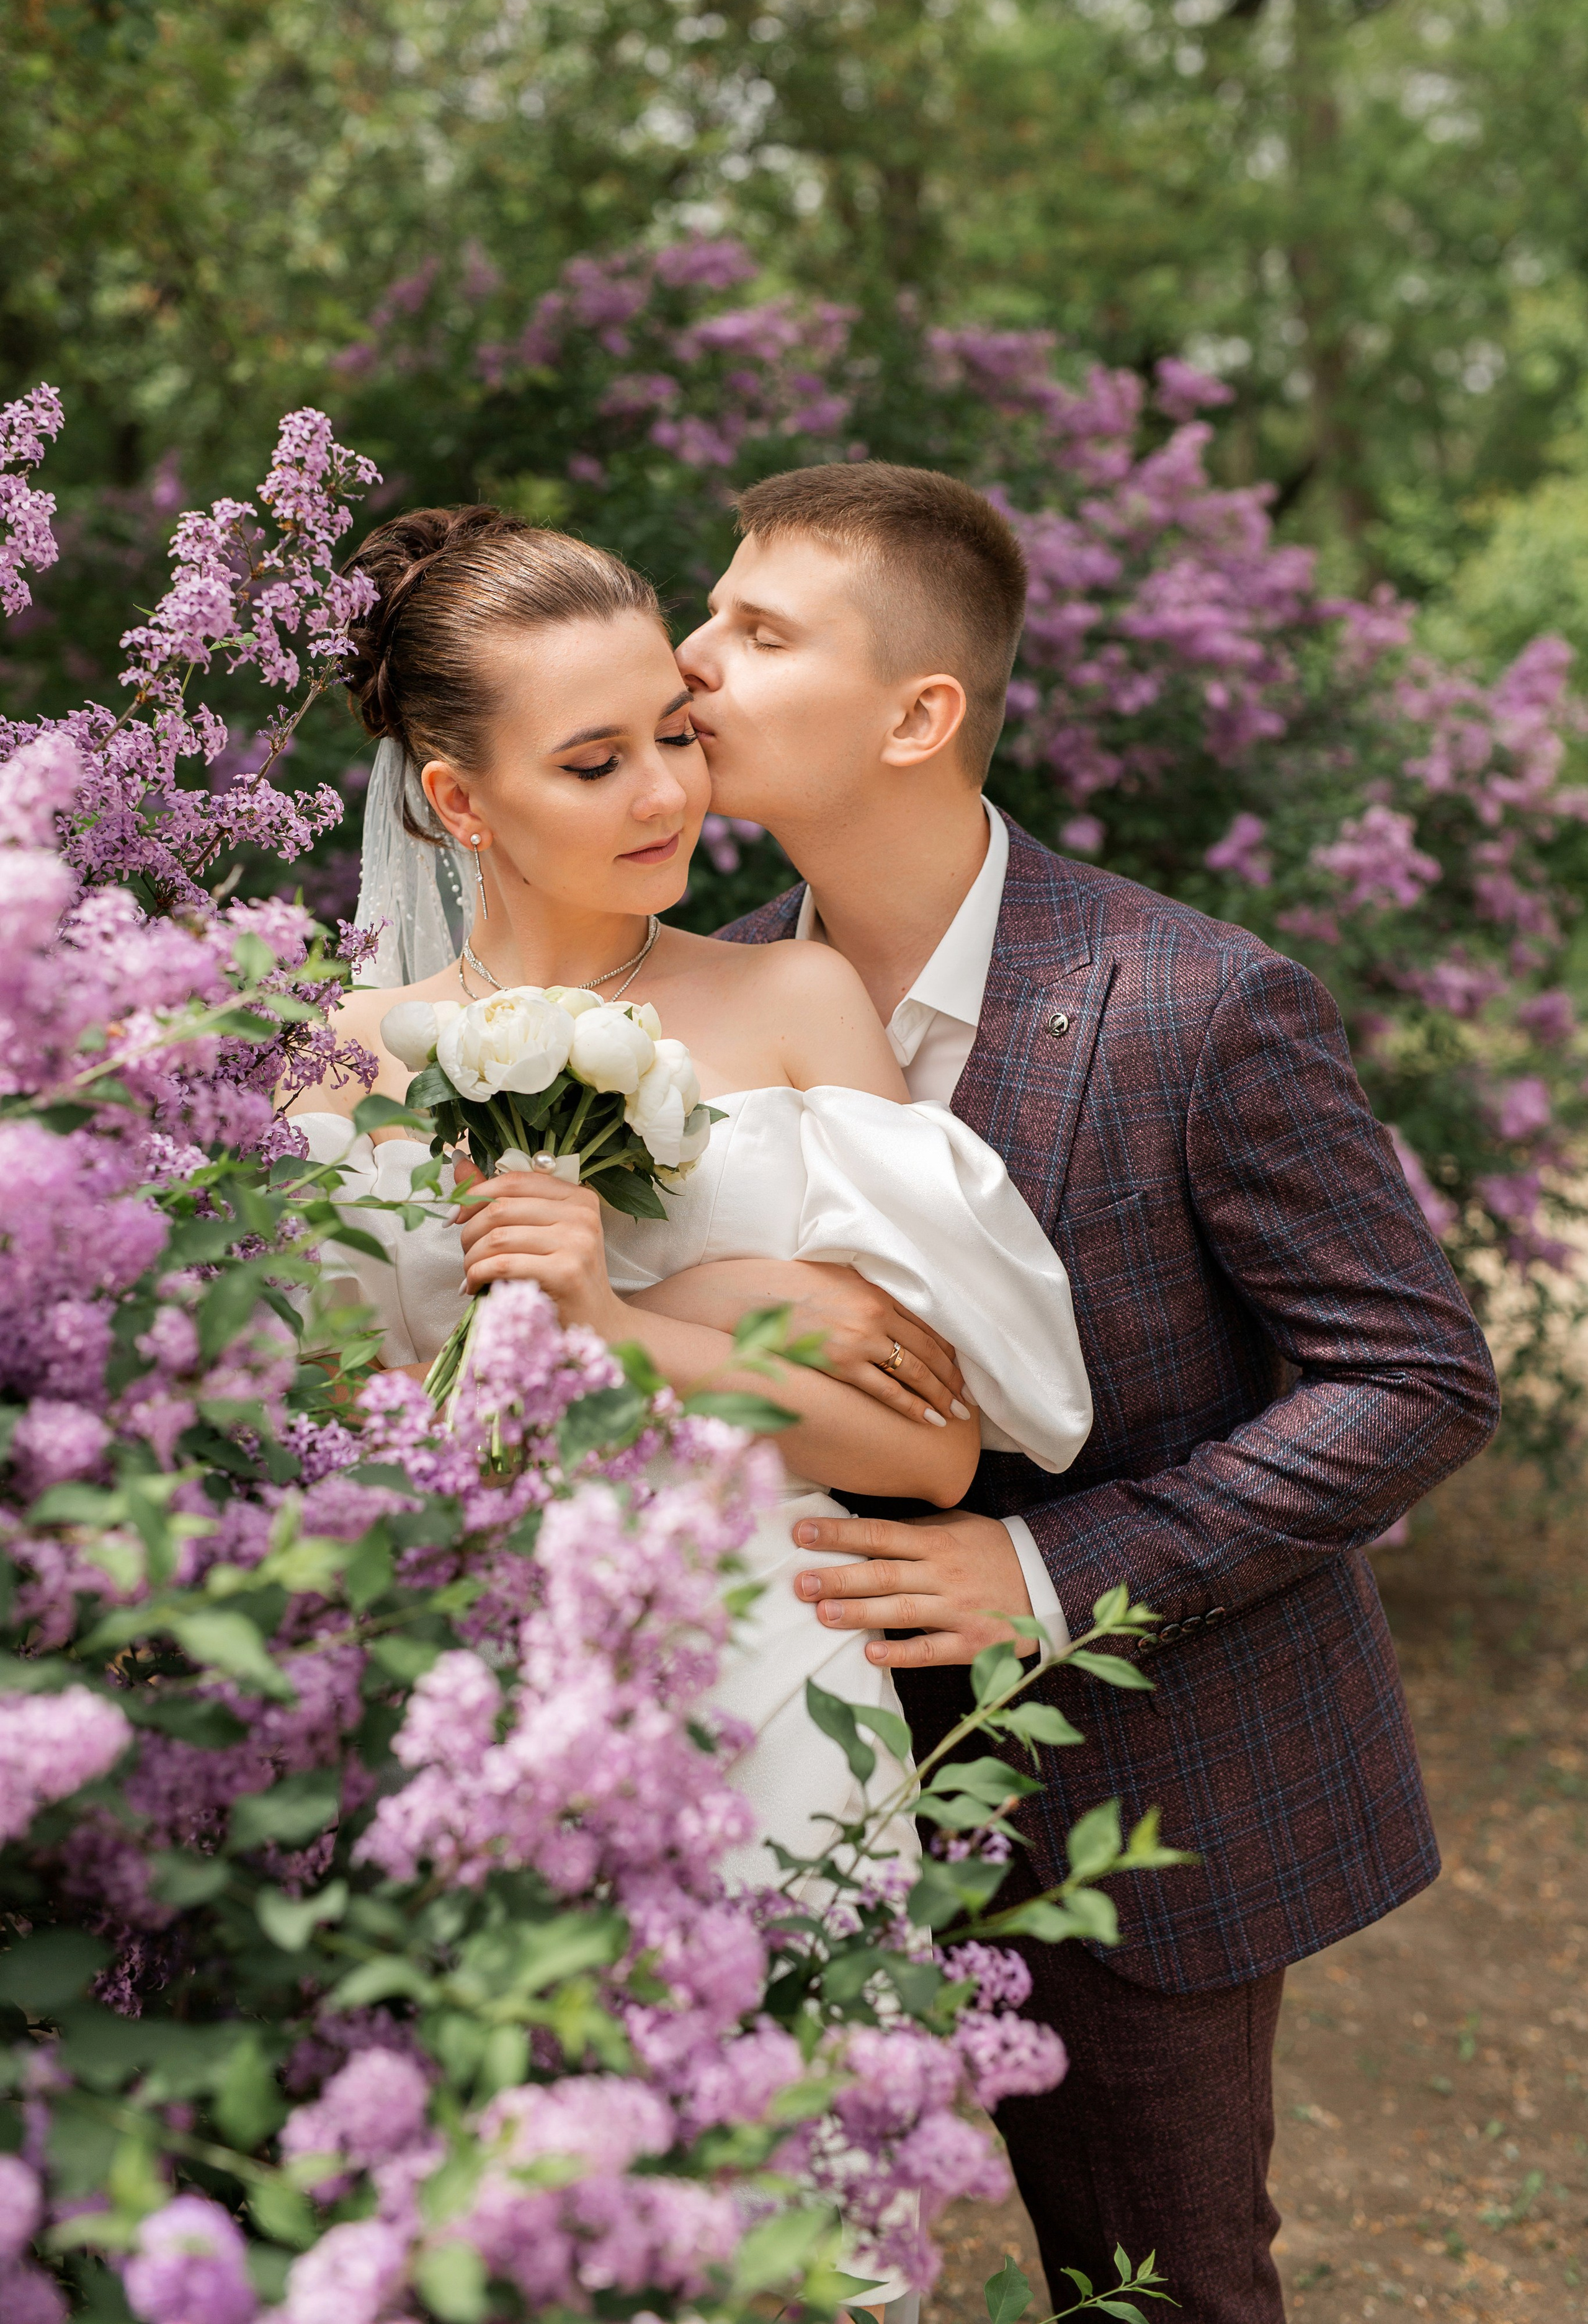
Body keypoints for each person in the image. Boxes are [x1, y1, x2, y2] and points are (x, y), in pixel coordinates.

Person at [667, 461, 1503, 2324]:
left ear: (918, 715)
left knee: (1156, 2290)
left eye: (757, 629)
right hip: (779, 1779)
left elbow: (1415, 1377)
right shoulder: (684, 1004)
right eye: (708, 611)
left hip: (1141, 1790)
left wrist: (1046, 1577)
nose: (688, 657)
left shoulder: (1196, 1002)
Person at [288, 499, 1093, 1939]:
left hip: (762, 1672)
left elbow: (928, 1449)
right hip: (447, 1673)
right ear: (460, 803)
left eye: (674, 734)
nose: (664, 794)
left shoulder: (793, 1000)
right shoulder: (333, 1068)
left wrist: (623, 1325)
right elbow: (304, 1433)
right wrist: (717, 1309)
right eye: (593, 763)